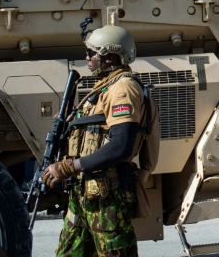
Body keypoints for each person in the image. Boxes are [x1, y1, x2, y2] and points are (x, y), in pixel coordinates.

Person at [41, 25, 150, 257]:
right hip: (85, 193)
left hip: (107, 196)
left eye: (92, 53)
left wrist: (69, 167)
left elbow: (121, 146)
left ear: (110, 58)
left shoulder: (123, 89)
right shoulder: (105, 86)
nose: (87, 57)